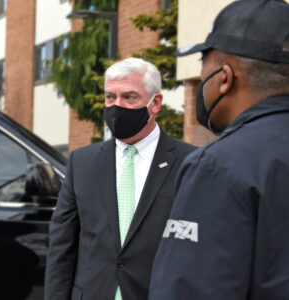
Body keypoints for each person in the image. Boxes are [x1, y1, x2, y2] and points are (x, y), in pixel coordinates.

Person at [149, 0, 289, 299]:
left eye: (203, 62)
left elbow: (188, 289)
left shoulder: (219, 167)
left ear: (225, 77)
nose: (201, 78)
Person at [45, 57, 196, 300]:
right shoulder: (81, 163)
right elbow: (62, 246)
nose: (116, 106)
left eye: (129, 97)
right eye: (110, 97)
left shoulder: (190, 163)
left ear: (155, 103)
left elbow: (198, 251)